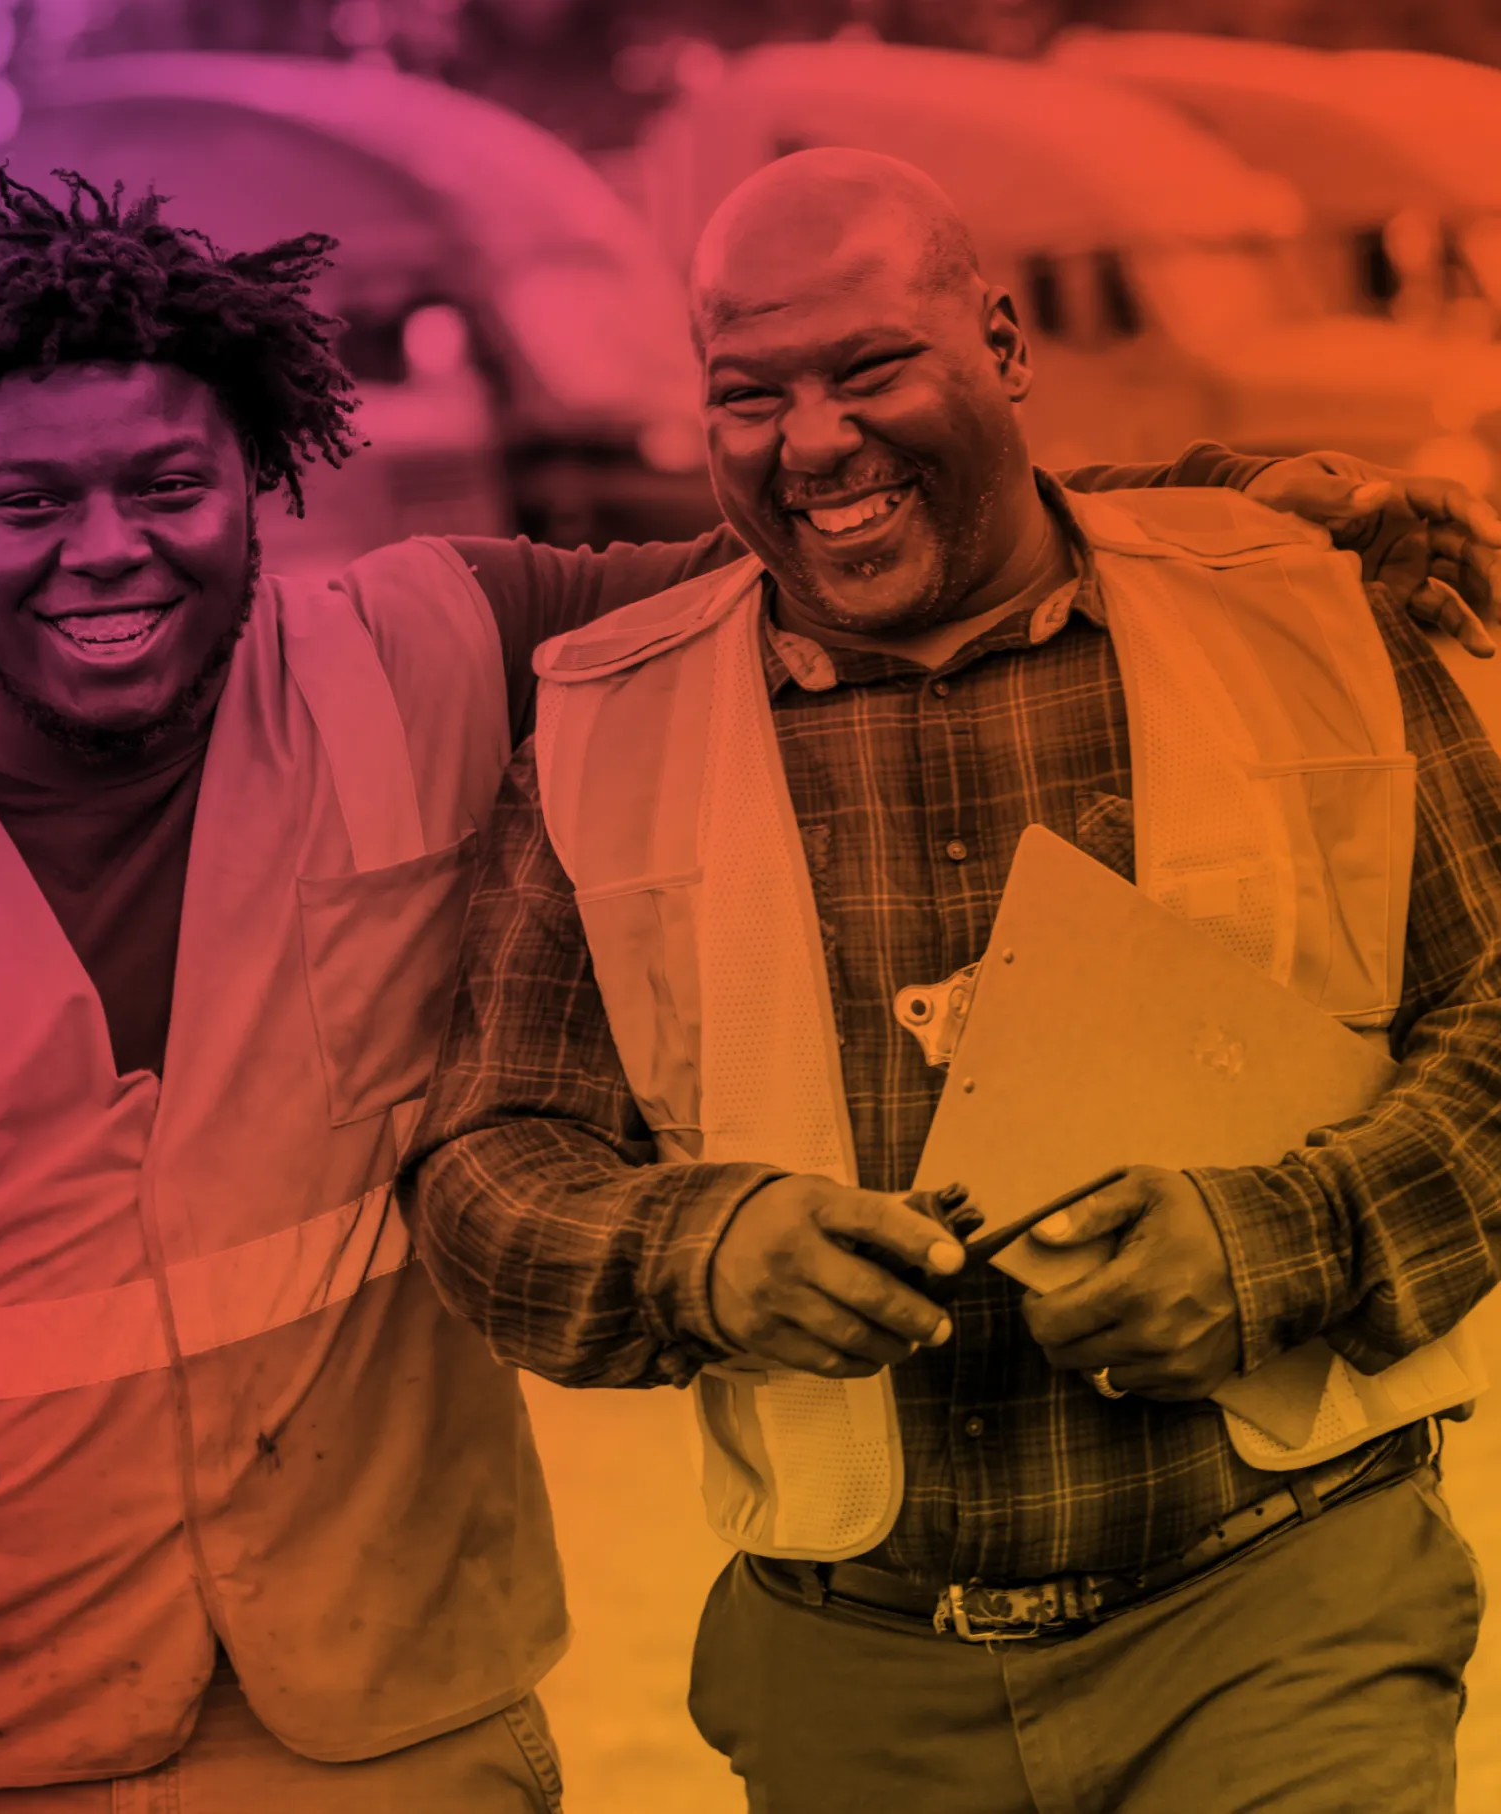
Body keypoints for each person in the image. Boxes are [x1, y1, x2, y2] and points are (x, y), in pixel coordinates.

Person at [0, 165, 1500, 1814]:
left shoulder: (432, 650)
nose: (110, 551)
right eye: (28, 503)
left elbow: (841, 539)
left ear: (260, 481)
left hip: (387, 1736)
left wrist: (1229, 510)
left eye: (170, 487)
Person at [401, 146, 1501, 1813]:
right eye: (748, 391)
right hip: (859, 1683)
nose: (814, 438)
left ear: (1002, 343)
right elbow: (487, 1172)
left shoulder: (1298, 614)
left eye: (871, 366)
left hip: (1284, 1618)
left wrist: (1277, 1241)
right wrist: (699, 1248)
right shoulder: (608, 729)